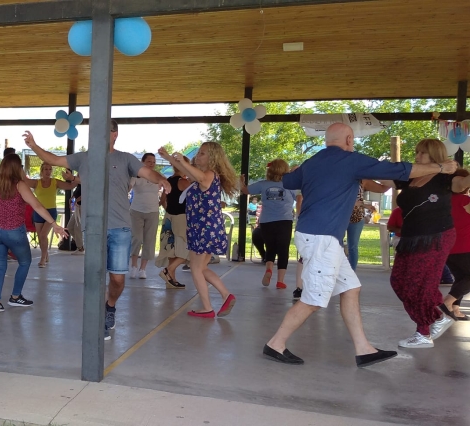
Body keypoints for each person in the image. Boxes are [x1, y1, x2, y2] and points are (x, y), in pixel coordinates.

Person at [263, 123, 456, 367]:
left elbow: (289, 180)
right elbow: (401, 170)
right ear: (349, 139)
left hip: (318, 236)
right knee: (313, 299)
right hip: (321, 238)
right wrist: (441, 166)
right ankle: (275, 344)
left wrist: (302, 171)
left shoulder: (313, 161)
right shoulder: (350, 160)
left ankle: (364, 349)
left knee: (351, 289)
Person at [23, 120, 172, 340]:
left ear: (115, 135)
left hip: (120, 227)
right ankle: (99, 320)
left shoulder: (125, 158)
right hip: (93, 228)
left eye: (105, 132)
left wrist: (162, 180)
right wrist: (34, 145)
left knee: (118, 280)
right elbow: (53, 159)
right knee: (95, 277)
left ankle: (110, 306)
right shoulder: (83, 157)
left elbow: (149, 173)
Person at [385, 139, 470, 348]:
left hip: (436, 236)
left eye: (422, 153)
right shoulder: (412, 177)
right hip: (410, 238)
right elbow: (381, 181)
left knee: (420, 285)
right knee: (399, 282)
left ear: (435, 155)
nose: (417, 156)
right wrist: (355, 173)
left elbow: (463, 183)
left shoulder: (446, 178)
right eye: (416, 152)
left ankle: (423, 332)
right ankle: (439, 317)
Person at [160, 143, 237, 318]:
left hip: (204, 228)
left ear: (212, 158)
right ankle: (226, 295)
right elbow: (187, 171)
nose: (197, 156)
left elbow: (201, 179)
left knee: (195, 268)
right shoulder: (203, 175)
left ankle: (207, 307)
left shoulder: (209, 175)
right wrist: (169, 158)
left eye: (202, 154)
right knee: (201, 268)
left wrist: (182, 161)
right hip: (204, 228)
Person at [0, 154, 68, 312]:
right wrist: (54, 224)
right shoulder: (19, 185)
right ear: (18, 168)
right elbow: (37, 205)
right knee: (24, 262)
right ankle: (15, 297)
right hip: (14, 231)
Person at [241, 159, 303, 289]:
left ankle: (268, 269)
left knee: (270, 248)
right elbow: (300, 197)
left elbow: (245, 190)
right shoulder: (290, 185)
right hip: (284, 221)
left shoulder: (263, 184)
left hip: (266, 221)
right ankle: (280, 281)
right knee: (283, 250)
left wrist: (241, 181)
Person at [24, 163, 76, 267]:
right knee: (40, 236)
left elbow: (70, 186)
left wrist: (75, 178)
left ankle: (43, 258)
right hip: (38, 212)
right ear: (41, 171)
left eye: (50, 169)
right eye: (46, 169)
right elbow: (23, 180)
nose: (48, 171)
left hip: (51, 212)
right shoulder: (36, 183)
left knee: (43, 235)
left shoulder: (54, 182)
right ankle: (46, 254)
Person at [157, 155, 191, 289]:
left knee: (172, 249)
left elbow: (162, 201)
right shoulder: (184, 182)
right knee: (187, 248)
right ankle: (168, 270)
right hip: (181, 217)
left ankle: (171, 279)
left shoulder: (168, 180)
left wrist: (170, 211)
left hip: (169, 217)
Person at [128, 153, 163, 279]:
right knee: (136, 238)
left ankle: (143, 268)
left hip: (152, 212)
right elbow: (128, 188)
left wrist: (162, 202)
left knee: (149, 240)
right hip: (136, 211)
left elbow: (165, 189)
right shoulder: (136, 176)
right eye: (149, 161)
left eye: (153, 161)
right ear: (142, 162)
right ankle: (133, 266)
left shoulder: (157, 176)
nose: (151, 164)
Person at [443, 168, 470, 321]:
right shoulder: (465, 201)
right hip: (465, 247)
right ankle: (447, 302)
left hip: (449, 249)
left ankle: (455, 309)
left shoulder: (444, 202)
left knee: (461, 278)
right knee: (467, 278)